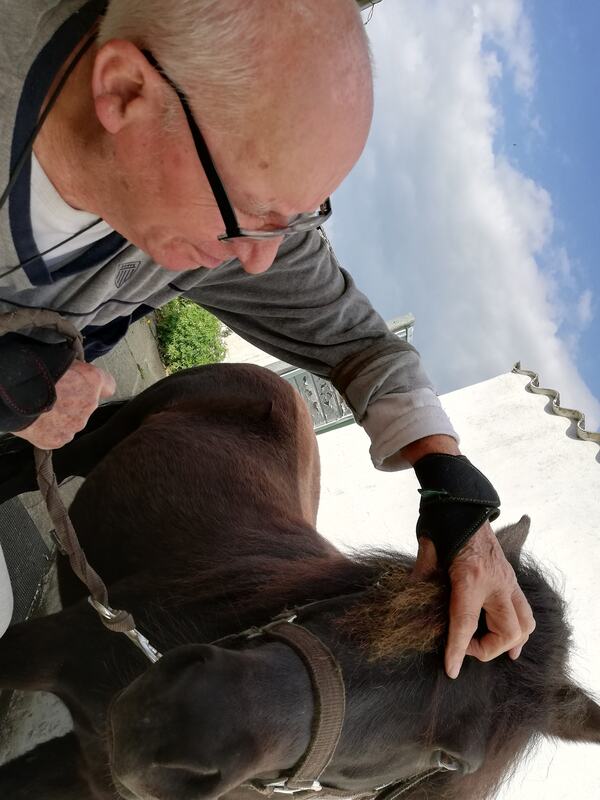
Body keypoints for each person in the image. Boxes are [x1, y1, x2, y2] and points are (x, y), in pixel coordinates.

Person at [0, 0, 534, 676]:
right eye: (255, 210)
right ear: (126, 91)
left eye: (295, 218)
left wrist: (451, 488)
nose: (259, 260)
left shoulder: (214, 215)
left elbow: (357, 342)